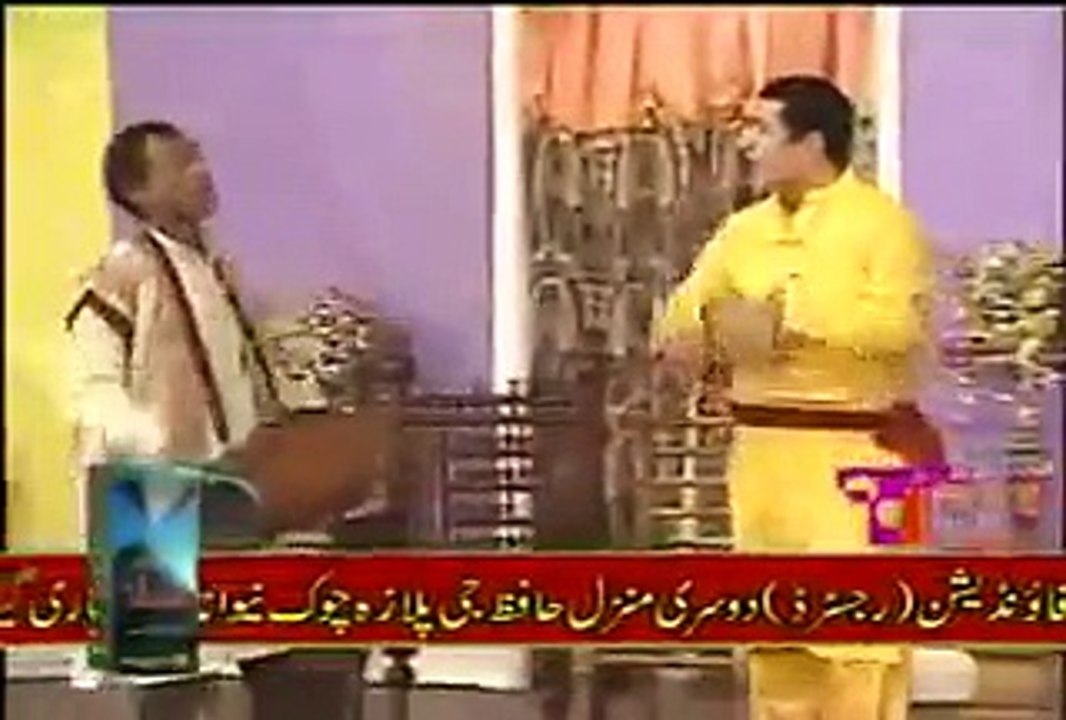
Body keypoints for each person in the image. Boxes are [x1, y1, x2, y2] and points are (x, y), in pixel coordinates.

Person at [653, 75, 942, 719]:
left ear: (810, 143)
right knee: (774, 634)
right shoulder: (743, 231)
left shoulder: (882, 226)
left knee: (857, 639)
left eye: (761, 131)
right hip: (761, 454)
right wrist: (705, 338)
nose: (747, 145)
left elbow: (899, 327)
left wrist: (794, 321)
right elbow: (681, 316)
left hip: (858, 456)